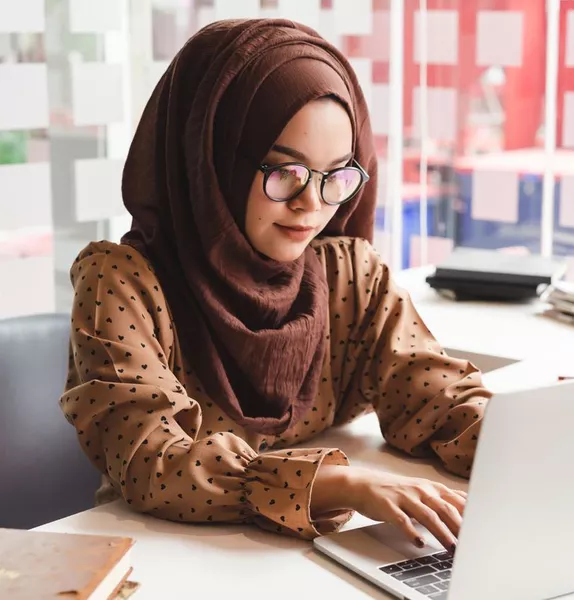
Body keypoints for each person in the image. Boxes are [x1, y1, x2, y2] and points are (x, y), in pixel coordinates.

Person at [59, 19, 489, 553]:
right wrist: (341, 484)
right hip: (161, 558)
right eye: (285, 173)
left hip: (300, 559)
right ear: (212, 163)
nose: (313, 205)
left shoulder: (347, 274)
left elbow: (439, 398)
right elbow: (153, 462)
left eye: (338, 175)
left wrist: (533, 446)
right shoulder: (122, 283)